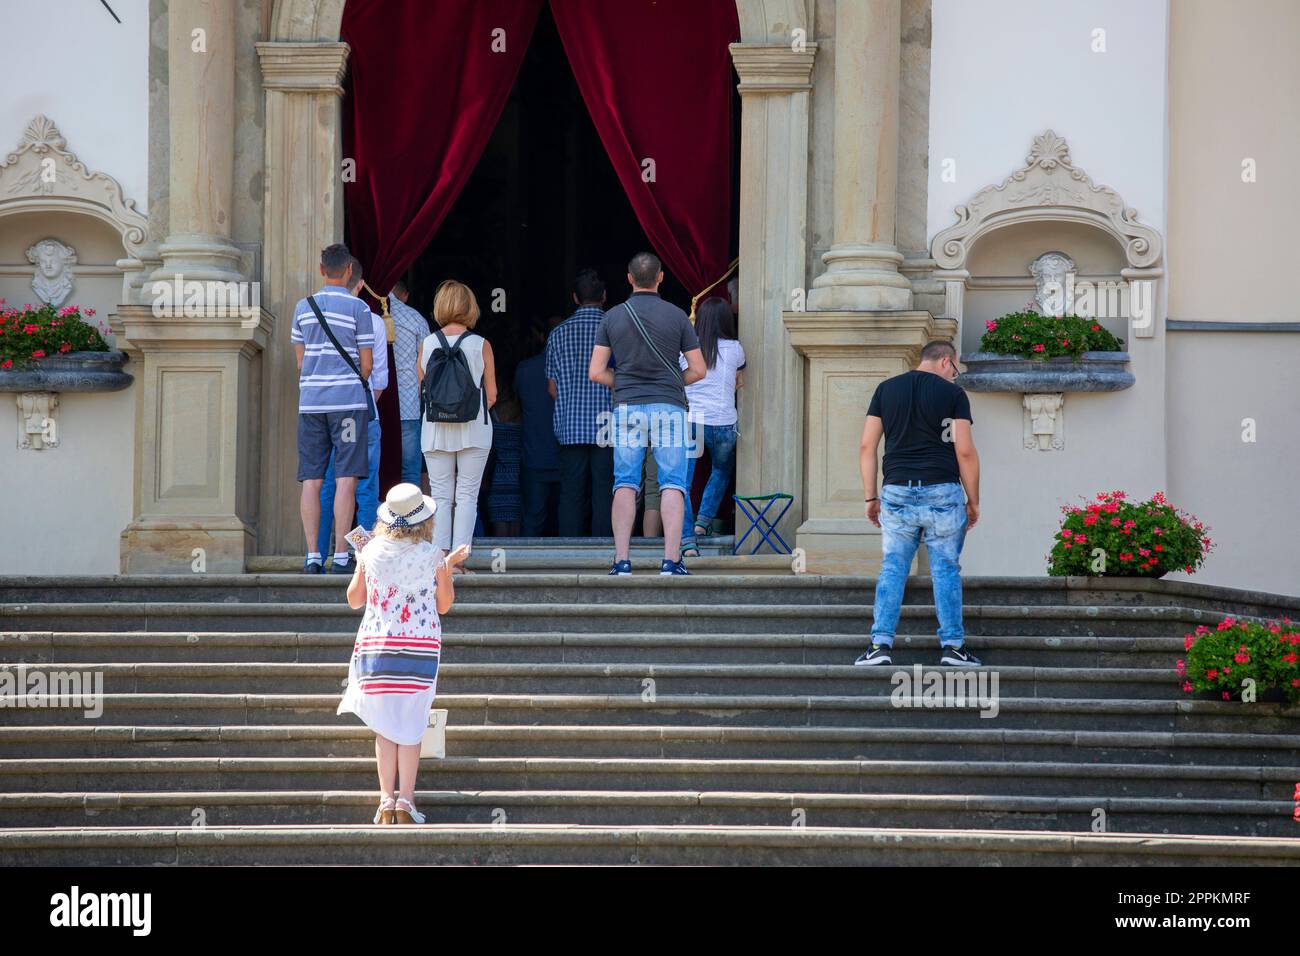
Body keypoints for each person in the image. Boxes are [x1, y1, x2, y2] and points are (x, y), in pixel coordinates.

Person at [339, 483, 469, 825]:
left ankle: (385, 800)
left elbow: (354, 600)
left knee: (384, 728)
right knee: (411, 727)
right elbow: (444, 605)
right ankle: (407, 801)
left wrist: (361, 564)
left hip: (376, 648)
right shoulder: (432, 555)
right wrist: (447, 570)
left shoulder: (370, 553)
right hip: (419, 650)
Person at [856, 340, 982, 667]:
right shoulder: (953, 395)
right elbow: (964, 451)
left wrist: (871, 497)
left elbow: (867, 446)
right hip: (942, 490)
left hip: (896, 491)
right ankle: (953, 647)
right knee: (945, 569)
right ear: (945, 361)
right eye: (954, 369)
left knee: (893, 567)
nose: (955, 376)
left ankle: (879, 645)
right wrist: (974, 500)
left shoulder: (886, 390)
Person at [589, 251, 706, 575]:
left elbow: (597, 372)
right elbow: (699, 370)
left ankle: (622, 560)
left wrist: (624, 381)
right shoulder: (678, 316)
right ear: (661, 277)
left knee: (625, 483)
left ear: (629, 279)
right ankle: (671, 560)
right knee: (672, 483)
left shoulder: (612, 317)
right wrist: (670, 383)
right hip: (669, 407)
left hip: (627, 407)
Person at [292, 243, 373, 574]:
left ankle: (313, 555)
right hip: (348, 405)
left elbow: (300, 363)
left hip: (311, 405)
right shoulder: (360, 310)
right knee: (346, 478)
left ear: (322, 270)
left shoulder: (303, 307)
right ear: (350, 271)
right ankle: (341, 554)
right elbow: (366, 364)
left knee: (311, 479)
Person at [419, 280, 496, 571]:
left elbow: (422, 388)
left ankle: (439, 560)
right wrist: (467, 412)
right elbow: (492, 394)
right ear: (470, 308)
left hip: (435, 429)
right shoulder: (481, 345)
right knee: (467, 495)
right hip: (474, 430)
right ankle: (458, 562)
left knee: (439, 494)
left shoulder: (427, 344)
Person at [317, 258, 388, 572]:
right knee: (365, 486)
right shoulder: (372, 320)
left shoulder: (312, 313)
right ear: (360, 284)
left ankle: (319, 553)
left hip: (322, 409)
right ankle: (362, 557)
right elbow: (380, 379)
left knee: (328, 483)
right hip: (362, 410)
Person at [547, 269, 614, 537]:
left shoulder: (558, 333)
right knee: (604, 491)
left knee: (571, 493)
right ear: (605, 297)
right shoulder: (615, 328)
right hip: (608, 426)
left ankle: (568, 548)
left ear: (575, 298)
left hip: (571, 426)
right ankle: (604, 549)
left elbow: (551, 387)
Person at [680, 296, 745, 557]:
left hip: (693, 420)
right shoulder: (735, 349)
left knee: (682, 484)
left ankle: (687, 541)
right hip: (724, 422)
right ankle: (702, 523)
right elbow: (739, 378)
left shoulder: (687, 351)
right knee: (721, 470)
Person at [515, 318, 562, 535]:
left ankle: (524, 568)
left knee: (532, 521)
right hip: (567, 455)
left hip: (534, 455)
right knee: (570, 520)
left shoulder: (525, 369)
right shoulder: (572, 369)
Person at [389, 278, 431, 487]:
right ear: (405, 295)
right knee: (409, 473)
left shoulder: (366, 314)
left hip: (375, 409)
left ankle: (378, 520)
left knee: (371, 475)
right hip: (408, 406)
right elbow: (427, 367)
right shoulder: (415, 318)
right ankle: (409, 520)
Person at [486, 387, 522, 536]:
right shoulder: (520, 413)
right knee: (516, 516)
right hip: (517, 474)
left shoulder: (492, 415)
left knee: (499, 517)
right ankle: (517, 557)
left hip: (497, 476)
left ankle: (501, 555)